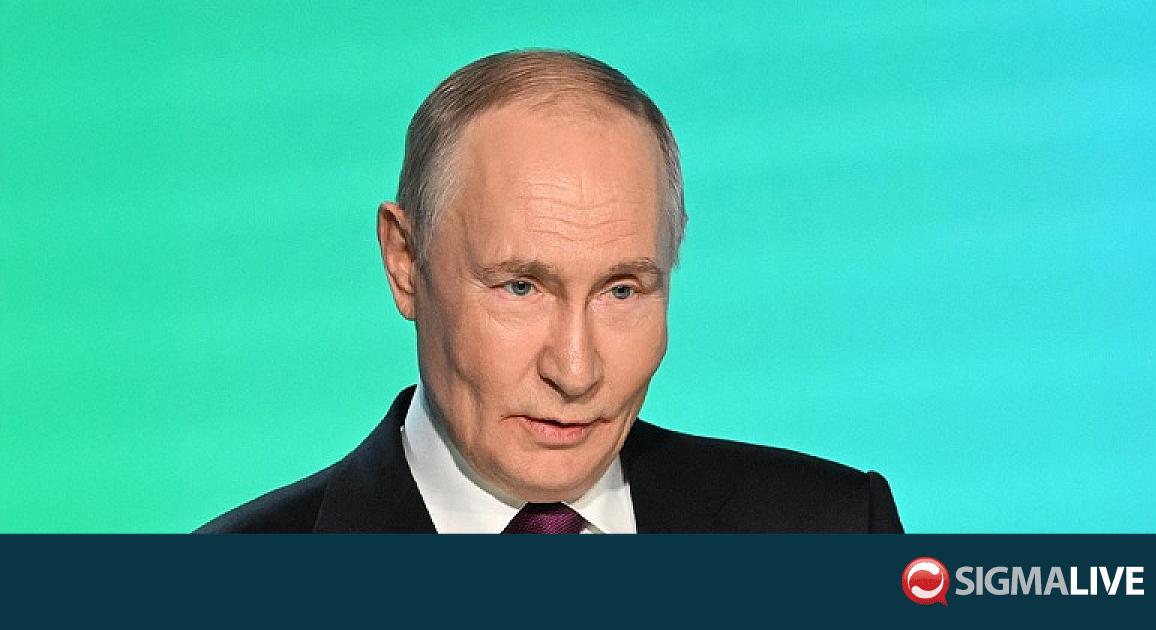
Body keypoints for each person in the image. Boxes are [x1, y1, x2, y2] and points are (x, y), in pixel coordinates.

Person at [197, 49, 903, 534]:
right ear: (405, 262)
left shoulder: (833, 530)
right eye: (521, 287)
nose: (575, 370)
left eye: (621, 291)